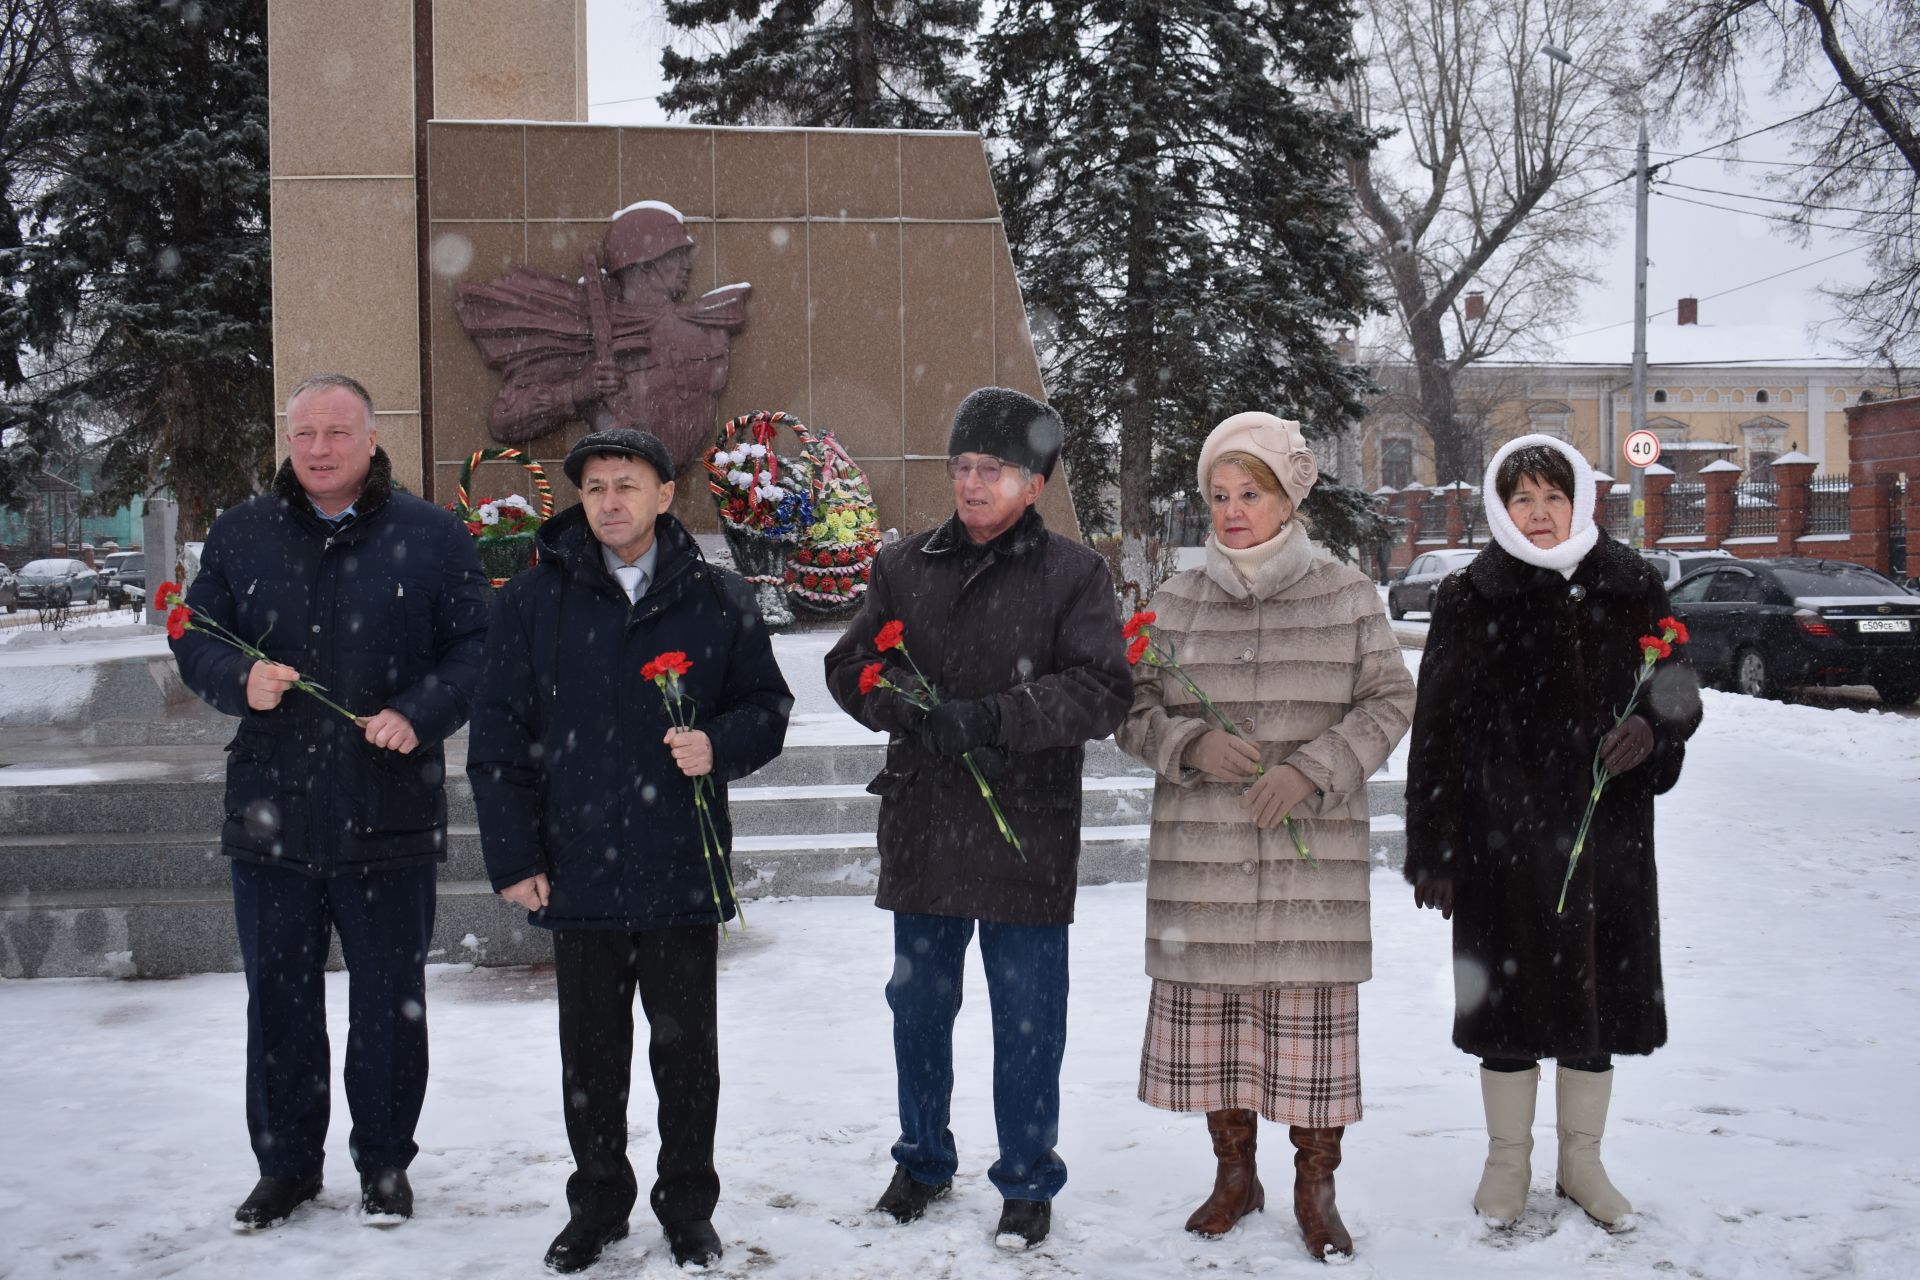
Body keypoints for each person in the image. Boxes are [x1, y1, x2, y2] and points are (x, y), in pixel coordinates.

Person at [169, 373, 491, 1231]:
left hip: (388, 808)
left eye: (336, 433)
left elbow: (477, 650)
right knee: (278, 1000)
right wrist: (242, 680)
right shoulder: (241, 535)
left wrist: (419, 715)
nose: (318, 448)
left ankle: (385, 1162)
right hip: (272, 809)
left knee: (390, 999)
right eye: (304, 432)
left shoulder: (432, 535)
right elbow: (194, 637)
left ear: (371, 439)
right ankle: (286, 1167)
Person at [466, 427, 791, 1274]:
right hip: (578, 868)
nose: (610, 500)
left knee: (687, 1056)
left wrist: (719, 743)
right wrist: (513, 857)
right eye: (596, 486)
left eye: (627, 484)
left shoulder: (719, 599)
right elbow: (498, 737)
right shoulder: (533, 604)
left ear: (663, 495)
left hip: (679, 860)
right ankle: (599, 1202)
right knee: (592, 1055)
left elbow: (767, 707)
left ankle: (688, 1206)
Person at [823, 387, 1132, 1251]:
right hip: (925, 824)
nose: (970, 483)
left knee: (1029, 1016)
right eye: (961, 467)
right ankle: (922, 1158)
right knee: (918, 1008)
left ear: (1032, 483)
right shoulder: (904, 565)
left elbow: (1103, 688)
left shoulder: (1075, 573)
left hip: (1022, 830)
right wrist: (909, 709)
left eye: (989, 470)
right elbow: (850, 665)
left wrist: (998, 719)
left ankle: (1027, 1178)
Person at [1115, 413, 1415, 1262]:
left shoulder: (1344, 593)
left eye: (1251, 494)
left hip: (1305, 863)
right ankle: (1233, 1176)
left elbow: (1392, 700)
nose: (1233, 511)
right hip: (1204, 858)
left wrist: (1314, 769)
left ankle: (1314, 1189)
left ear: (1288, 498)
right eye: (1219, 495)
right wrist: (1189, 745)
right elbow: (1130, 708)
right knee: (1220, 1032)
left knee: (1309, 1031)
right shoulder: (1174, 601)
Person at [1404, 433, 1701, 1232]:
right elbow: (1436, 725)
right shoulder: (1474, 594)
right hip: (1500, 841)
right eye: (1522, 499)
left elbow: (1677, 688)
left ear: (1580, 501)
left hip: (1607, 839)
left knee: (1595, 1001)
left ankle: (1582, 1160)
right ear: (1500, 508)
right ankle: (1507, 1160)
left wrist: (1653, 731)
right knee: (1509, 1002)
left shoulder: (1633, 583)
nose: (1538, 515)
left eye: (1552, 497)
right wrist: (1433, 847)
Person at [455, 202, 749, 470]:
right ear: (643, 263)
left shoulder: (707, 325)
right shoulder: (587, 332)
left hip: (666, 479)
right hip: (619, 475)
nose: (688, 265)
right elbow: (504, 419)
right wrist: (578, 390)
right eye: (675, 256)